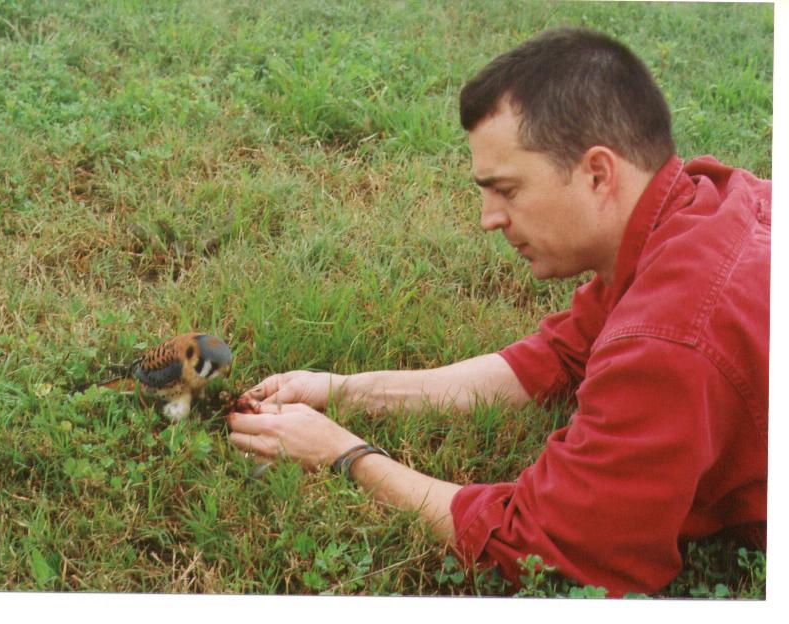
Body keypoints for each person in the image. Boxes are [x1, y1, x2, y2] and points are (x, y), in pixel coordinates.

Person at [226, 27, 770, 596]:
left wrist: (342, 453)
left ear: (598, 173)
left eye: (506, 190)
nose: (489, 218)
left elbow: (542, 545)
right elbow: (554, 361)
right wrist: (343, 390)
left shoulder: (671, 336)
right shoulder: (699, 209)